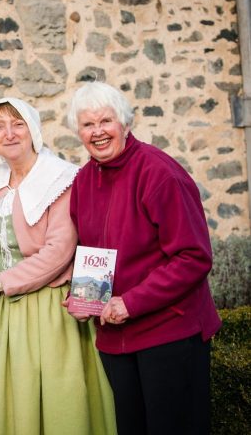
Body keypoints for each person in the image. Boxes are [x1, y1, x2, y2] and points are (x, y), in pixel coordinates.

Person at [66, 81, 222, 435]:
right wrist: (83, 298)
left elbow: (193, 257)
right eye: (88, 125)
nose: (98, 132)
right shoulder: (84, 180)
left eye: (105, 121)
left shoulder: (160, 173)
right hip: (115, 339)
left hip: (170, 333)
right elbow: (90, 252)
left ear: (124, 123)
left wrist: (131, 302)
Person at [0, 98, 117, 435]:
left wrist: (1, 282)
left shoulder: (59, 178)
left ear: (33, 130)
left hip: (44, 311)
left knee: (52, 400)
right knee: (3, 399)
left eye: (18, 124)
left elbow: (58, 250)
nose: (9, 134)